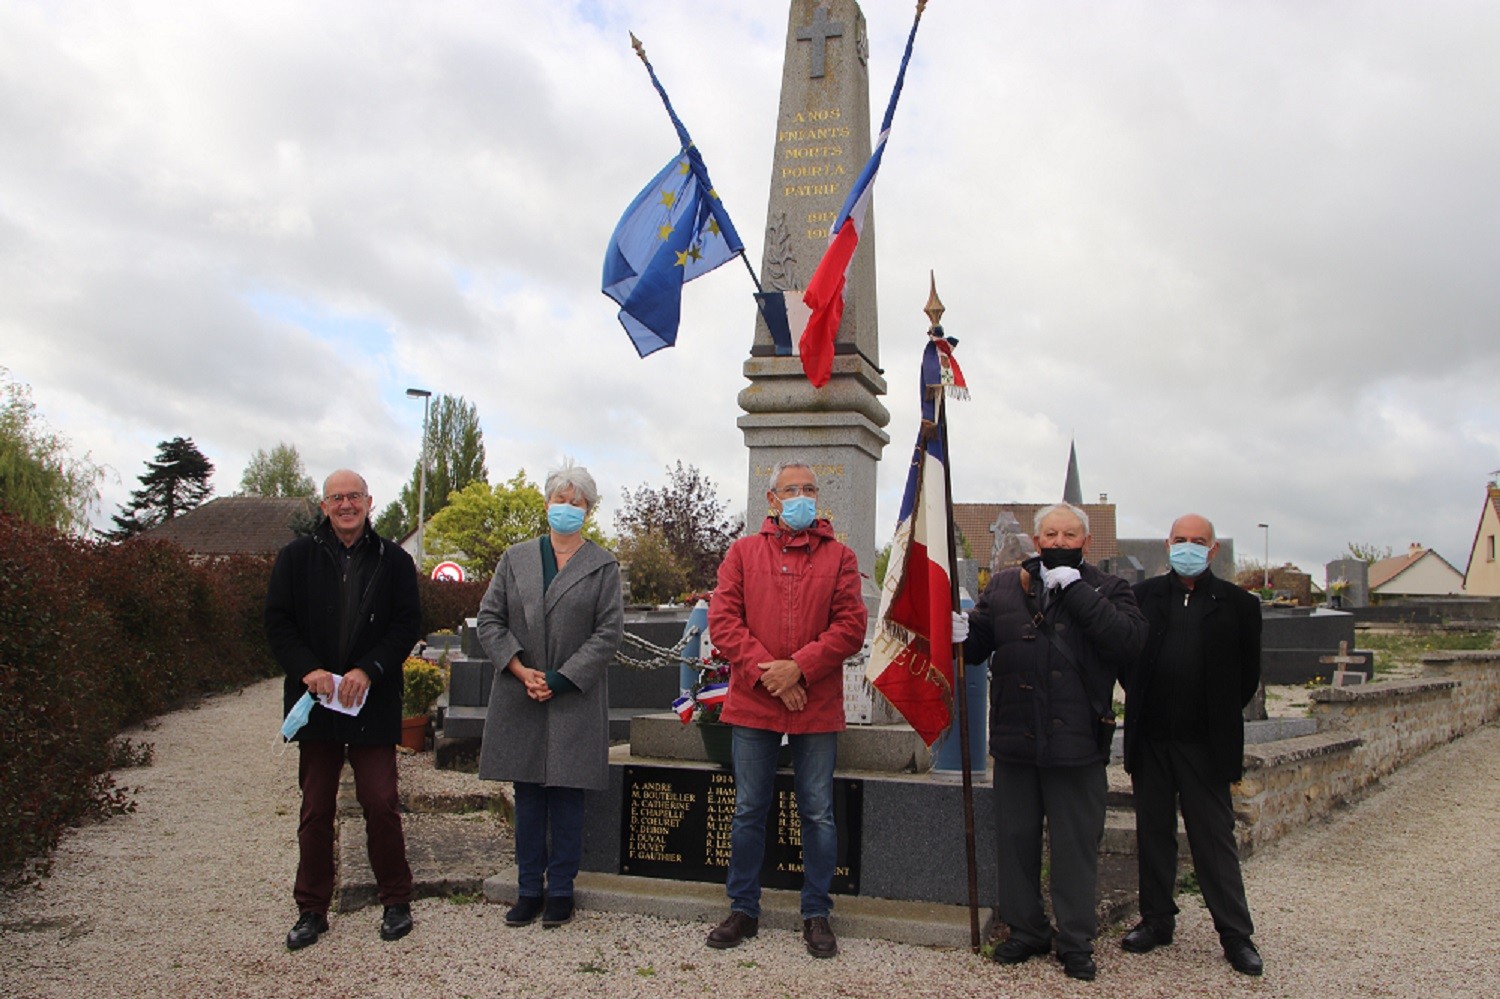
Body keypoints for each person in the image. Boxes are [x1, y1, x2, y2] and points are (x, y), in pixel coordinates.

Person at [960, 502, 1146, 982]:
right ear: (1037, 540)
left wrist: (1078, 593)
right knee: (1016, 842)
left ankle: (1075, 940)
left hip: (1077, 744)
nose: (1059, 542)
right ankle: (1026, 930)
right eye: (1051, 534)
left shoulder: (1110, 589)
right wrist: (958, 633)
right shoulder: (1004, 585)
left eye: (1069, 535)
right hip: (1016, 741)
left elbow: (1127, 643)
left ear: (1086, 542)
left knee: (1075, 847)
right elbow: (979, 646)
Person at [704, 460, 866, 959]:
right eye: (791, 489)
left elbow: (849, 626)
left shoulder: (840, 557)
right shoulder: (743, 552)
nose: (801, 496)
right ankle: (743, 908)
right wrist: (770, 674)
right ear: (772, 499)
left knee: (817, 811)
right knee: (749, 809)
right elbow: (724, 619)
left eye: (809, 489)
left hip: (814, 703)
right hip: (754, 702)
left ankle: (816, 911)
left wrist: (798, 669)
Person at [265, 469, 422, 951]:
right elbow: (277, 621)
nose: (346, 504)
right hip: (316, 702)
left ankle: (395, 898)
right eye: (337, 497)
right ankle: (311, 908)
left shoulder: (393, 560)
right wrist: (308, 669)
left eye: (354, 496)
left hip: (370, 700)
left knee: (379, 801)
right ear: (324, 504)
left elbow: (407, 623)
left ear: (370, 502)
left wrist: (369, 669)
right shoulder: (295, 558)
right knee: (315, 808)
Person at [475, 461, 623, 930]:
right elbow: (490, 620)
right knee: (529, 796)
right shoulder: (514, 558)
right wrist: (521, 669)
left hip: (573, 695)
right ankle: (526, 888)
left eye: (575, 502)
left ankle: (561, 888)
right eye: (559, 500)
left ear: (588, 510)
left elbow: (608, 634)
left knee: (567, 797)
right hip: (521, 691)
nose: (566, 508)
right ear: (546, 504)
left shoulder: (602, 565)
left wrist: (560, 679)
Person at [1120, 513, 1264, 976]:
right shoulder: (1142, 597)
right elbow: (1128, 662)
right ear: (1168, 545)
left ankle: (1236, 935)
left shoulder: (1240, 605)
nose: (1188, 547)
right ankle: (1157, 920)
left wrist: (1211, 715)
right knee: (1153, 834)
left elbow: (1247, 677)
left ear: (1213, 550)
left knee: (1213, 839)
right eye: (1180, 539)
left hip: (1205, 743)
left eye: (1197, 541)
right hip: (1152, 738)